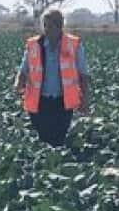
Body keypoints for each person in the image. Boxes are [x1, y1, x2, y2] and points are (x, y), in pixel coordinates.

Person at [14, 8, 91, 147]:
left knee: (58, 139)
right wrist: (18, 83)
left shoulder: (73, 45)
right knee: (43, 139)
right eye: (45, 25)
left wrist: (85, 99)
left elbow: (83, 74)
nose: (47, 29)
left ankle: (56, 165)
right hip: (40, 101)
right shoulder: (34, 45)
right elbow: (24, 69)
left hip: (63, 102)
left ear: (59, 26)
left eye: (50, 25)